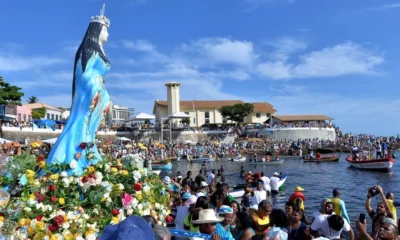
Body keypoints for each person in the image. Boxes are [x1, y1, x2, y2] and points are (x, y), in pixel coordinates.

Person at [46, 4, 112, 175]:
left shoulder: (98, 49)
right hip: (88, 95)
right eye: (105, 30)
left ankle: (88, 156)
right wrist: (96, 90)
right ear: (97, 30)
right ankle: (72, 161)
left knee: (89, 129)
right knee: (81, 125)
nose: (108, 34)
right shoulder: (88, 49)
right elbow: (84, 75)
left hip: (97, 94)